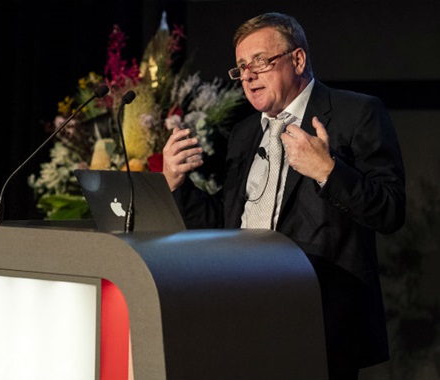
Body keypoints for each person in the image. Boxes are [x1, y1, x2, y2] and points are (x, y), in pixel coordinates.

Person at [162, 12, 406, 380]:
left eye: (260, 61)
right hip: (242, 310)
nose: (247, 75)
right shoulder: (244, 133)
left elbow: (390, 211)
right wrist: (176, 186)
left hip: (319, 321)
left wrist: (328, 171)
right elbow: (226, 224)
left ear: (298, 59)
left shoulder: (356, 113)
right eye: (241, 66)